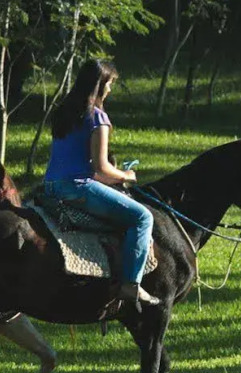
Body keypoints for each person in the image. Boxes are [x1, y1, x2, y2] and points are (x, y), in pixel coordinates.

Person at [38, 59, 157, 313]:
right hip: (77, 188)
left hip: (50, 187)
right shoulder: (98, 117)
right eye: (110, 84)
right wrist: (126, 176)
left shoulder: (64, 112)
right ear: (100, 85)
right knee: (142, 217)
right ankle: (131, 284)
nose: (111, 89)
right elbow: (101, 170)